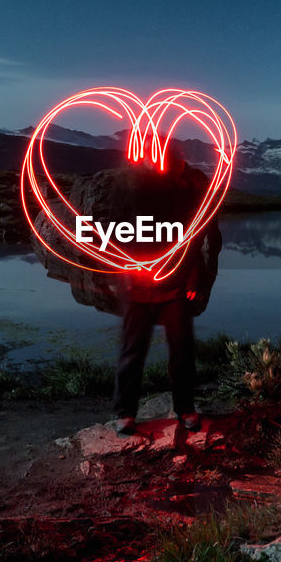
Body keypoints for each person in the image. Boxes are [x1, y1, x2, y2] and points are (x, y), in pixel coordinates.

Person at [106, 152, 218, 435]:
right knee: (132, 351)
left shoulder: (182, 188)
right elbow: (114, 231)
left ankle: (185, 409)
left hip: (175, 285)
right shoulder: (129, 185)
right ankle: (126, 413)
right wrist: (117, 275)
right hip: (138, 286)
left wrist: (195, 279)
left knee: (182, 351)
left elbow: (193, 239)